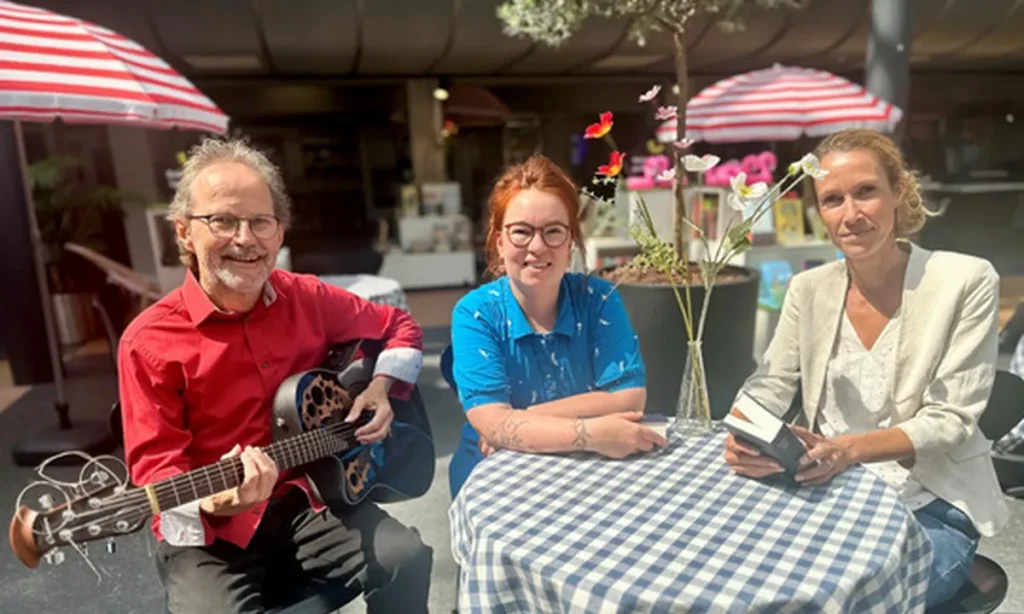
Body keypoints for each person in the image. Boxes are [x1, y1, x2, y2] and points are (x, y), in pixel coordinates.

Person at [118, 139, 432, 613]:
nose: (245, 239)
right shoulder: (148, 342)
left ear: (280, 232)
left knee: (405, 558)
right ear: (184, 232)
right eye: (222, 220)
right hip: (210, 538)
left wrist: (381, 388)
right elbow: (159, 476)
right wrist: (218, 502)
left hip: (306, 501)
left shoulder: (307, 297)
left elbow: (398, 326)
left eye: (260, 222)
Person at [723, 129, 1010, 608]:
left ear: (898, 191)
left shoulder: (966, 280)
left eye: (866, 192)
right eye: (833, 199)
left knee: (842, 603)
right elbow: (770, 382)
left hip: (932, 505)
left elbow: (951, 419)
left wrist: (848, 450)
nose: (850, 215)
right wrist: (745, 429)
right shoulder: (808, 289)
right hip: (827, 489)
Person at [447, 154, 667, 498]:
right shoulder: (475, 313)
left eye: (553, 231)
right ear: (499, 241)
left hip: (591, 468)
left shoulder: (599, 299)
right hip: (498, 471)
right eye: (521, 232)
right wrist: (590, 433)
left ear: (571, 243)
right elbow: (490, 423)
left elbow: (628, 398)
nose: (537, 246)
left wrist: (518, 419)